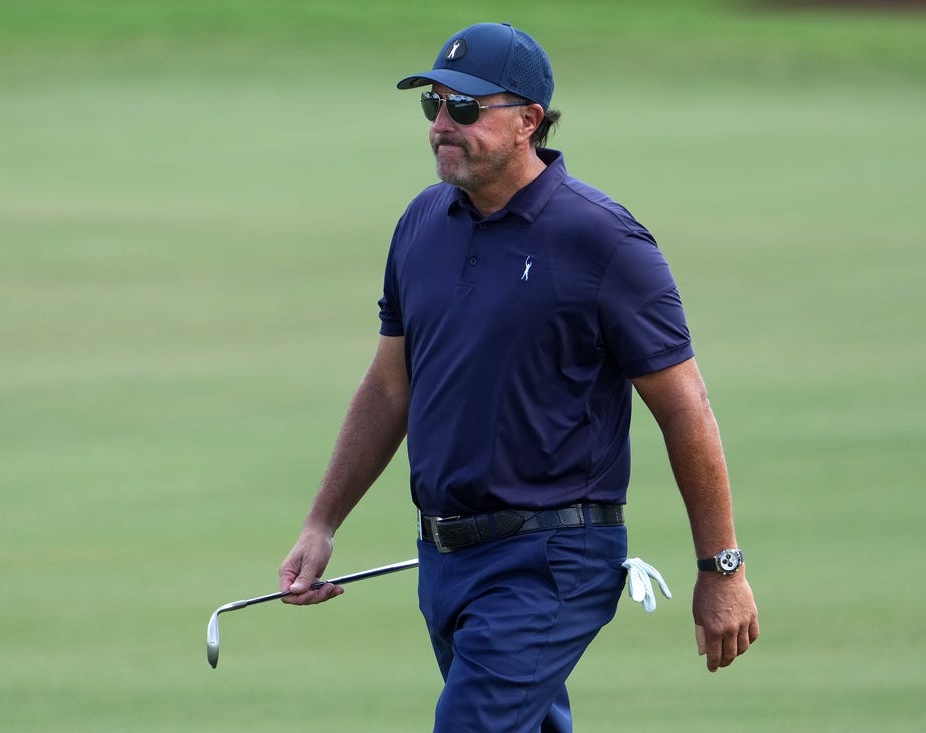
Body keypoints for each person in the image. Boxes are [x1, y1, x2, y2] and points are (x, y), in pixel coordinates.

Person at [278, 21, 759, 733]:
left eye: (466, 109)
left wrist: (721, 568)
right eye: (433, 105)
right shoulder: (421, 224)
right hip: (444, 560)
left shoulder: (602, 241)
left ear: (529, 121)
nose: (443, 125)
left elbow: (686, 408)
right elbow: (389, 387)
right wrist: (322, 522)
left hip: (552, 560)